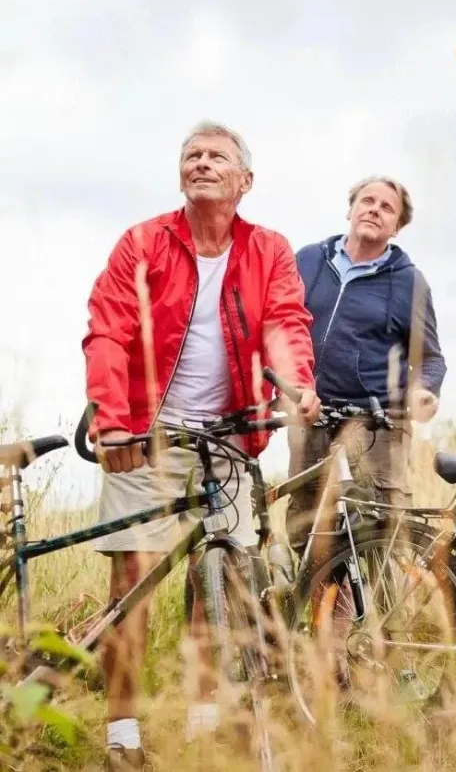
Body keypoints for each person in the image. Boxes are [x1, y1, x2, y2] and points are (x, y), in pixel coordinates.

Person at [81, 122, 321, 771]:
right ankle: (123, 732)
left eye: (217, 156)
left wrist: (296, 383)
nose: (202, 163)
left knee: (219, 576)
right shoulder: (143, 242)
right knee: (132, 582)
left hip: (230, 439)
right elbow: (108, 331)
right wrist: (113, 421)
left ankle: (204, 717)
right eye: (192, 155)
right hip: (147, 435)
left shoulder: (268, 249)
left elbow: (285, 323)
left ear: (245, 180)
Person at [288, 175, 446, 550]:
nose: (375, 210)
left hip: (377, 424)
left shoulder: (409, 282)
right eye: (367, 201)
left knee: (377, 534)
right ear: (351, 210)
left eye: (387, 207)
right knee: (307, 532)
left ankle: (373, 592)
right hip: (312, 415)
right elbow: (283, 325)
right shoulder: (309, 260)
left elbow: (431, 358)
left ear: (397, 227)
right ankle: (320, 591)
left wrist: (424, 390)